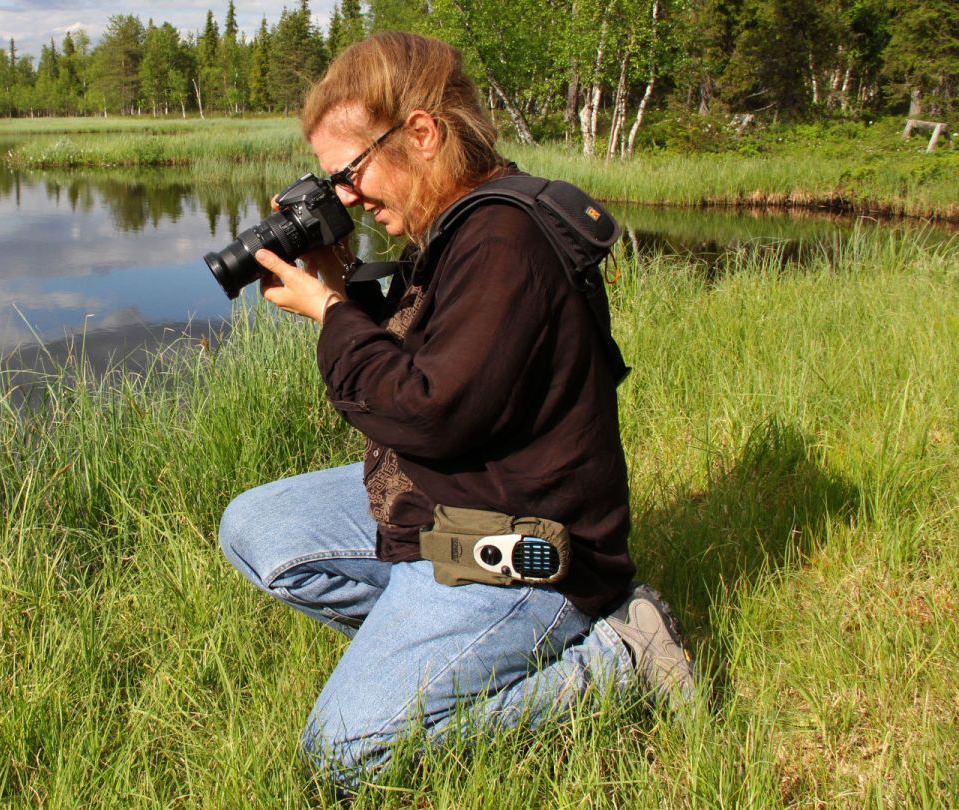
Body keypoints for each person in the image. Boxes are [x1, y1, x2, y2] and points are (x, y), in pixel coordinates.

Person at [217, 32, 695, 791]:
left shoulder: (504, 240)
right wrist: (345, 286)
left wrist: (333, 313)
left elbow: (428, 411)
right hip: (446, 499)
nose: (346, 197)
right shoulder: (461, 222)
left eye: (349, 172)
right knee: (256, 528)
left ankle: (619, 660)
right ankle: (439, 660)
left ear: (422, 133)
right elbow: (430, 362)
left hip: (524, 543)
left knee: (348, 753)